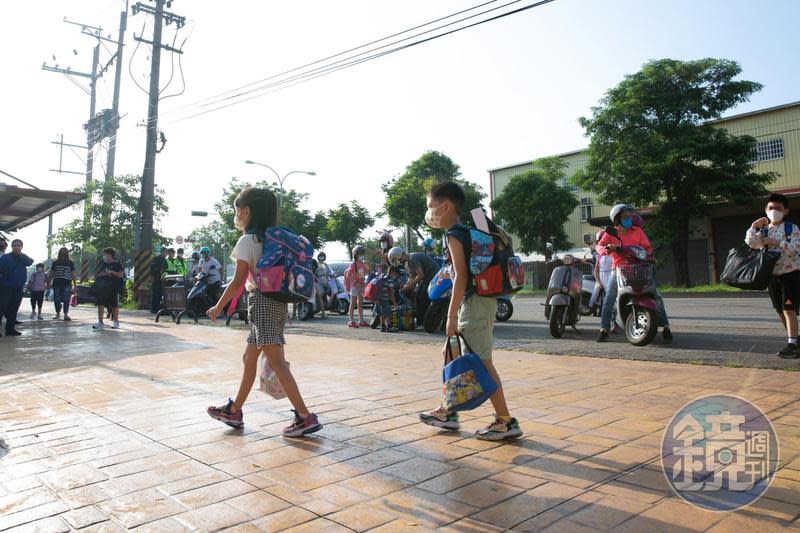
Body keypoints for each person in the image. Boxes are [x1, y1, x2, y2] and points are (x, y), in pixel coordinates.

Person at [206, 187, 322, 436]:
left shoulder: (248, 241)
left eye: (237, 210)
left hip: (261, 302)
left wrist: (218, 306)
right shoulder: (271, 239)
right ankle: (234, 410)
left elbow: (237, 281)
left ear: (246, 211)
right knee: (249, 359)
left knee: (277, 361)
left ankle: (305, 416)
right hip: (277, 302)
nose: (236, 215)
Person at [419, 182, 522, 440]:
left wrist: (451, 315)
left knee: (482, 362)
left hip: (474, 303)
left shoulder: (454, 234)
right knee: (451, 351)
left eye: (431, 206)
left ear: (445, 206)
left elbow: (461, 277)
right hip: (478, 302)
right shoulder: (462, 231)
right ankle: (448, 412)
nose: (430, 212)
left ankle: (506, 421)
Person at [596, 204, 672, 342]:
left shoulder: (637, 231)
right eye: (625, 216)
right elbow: (599, 246)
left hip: (640, 268)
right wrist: (607, 249)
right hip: (619, 269)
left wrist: (649, 255)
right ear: (617, 217)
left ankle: (666, 327)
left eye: (630, 215)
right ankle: (604, 329)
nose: (628, 218)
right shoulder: (611, 232)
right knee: (609, 297)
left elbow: (647, 247)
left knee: (656, 296)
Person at [746, 193, 800, 358]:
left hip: (790, 274)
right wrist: (754, 226)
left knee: (788, 309)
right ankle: (795, 340)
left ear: (786, 211)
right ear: (765, 210)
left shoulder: (792, 229)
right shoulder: (763, 230)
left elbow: (795, 249)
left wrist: (775, 242)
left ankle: (792, 344)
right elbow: (751, 243)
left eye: (778, 208)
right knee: (779, 310)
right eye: (770, 208)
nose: (774, 211)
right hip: (772, 276)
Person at [389, 246, 439, 322]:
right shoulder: (409, 262)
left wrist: (409, 286)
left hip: (433, 275)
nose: (398, 262)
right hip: (427, 277)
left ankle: (423, 320)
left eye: (396, 260)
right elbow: (412, 276)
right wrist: (405, 286)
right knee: (417, 295)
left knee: (421, 295)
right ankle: (420, 319)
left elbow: (420, 275)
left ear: (398, 255)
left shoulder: (413, 258)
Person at [0, 239, 34, 337]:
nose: (16, 247)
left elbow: (30, 262)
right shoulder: (5, 257)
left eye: (18, 246)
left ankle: (10, 330)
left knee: (13, 308)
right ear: (11, 247)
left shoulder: (23, 258)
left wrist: (20, 255)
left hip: (18, 287)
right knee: (2, 308)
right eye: (14, 246)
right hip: (5, 286)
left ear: (21, 247)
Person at [590, 231, 620, 332]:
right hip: (603, 278)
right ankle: (609, 324)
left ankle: (615, 323)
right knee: (605, 302)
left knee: (614, 302)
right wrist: (599, 282)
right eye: (600, 241)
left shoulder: (614, 253)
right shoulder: (599, 255)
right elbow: (596, 270)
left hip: (612, 275)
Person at [93, 248, 124, 330]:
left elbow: (121, 275)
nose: (104, 256)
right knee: (100, 304)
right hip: (103, 288)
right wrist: (102, 273)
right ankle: (100, 322)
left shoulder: (117, 264)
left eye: (105, 254)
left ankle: (116, 322)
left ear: (110, 255)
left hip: (113, 287)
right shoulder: (104, 264)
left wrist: (112, 272)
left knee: (114, 305)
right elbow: (98, 274)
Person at [48, 247, 77, 321]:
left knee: (66, 299)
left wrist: (75, 285)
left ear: (67, 253)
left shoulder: (70, 262)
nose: (63, 253)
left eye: (64, 252)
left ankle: (66, 314)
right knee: (56, 299)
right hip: (57, 283)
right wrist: (48, 282)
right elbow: (51, 273)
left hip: (67, 283)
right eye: (61, 251)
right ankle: (58, 313)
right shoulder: (55, 262)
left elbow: (73, 273)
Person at [345, 245, 369, 328]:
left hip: (362, 285)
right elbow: (348, 275)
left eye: (362, 253)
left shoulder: (362, 264)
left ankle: (361, 320)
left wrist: (367, 265)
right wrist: (355, 283)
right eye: (360, 254)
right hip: (355, 286)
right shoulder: (352, 264)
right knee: (353, 303)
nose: (362, 255)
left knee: (360, 303)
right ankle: (351, 321)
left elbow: (367, 271)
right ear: (355, 255)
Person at [378, 266, 401, 332]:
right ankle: (389, 327)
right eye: (396, 273)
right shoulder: (390, 280)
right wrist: (394, 303)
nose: (396, 275)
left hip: (379, 298)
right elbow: (391, 293)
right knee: (388, 313)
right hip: (384, 298)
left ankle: (382, 326)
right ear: (393, 272)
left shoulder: (383, 276)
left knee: (383, 313)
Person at [150, 247, 168, 313]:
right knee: (155, 294)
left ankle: (159, 309)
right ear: (162, 252)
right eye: (165, 252)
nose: (166, 254)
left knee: (161, 295)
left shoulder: (166, 260)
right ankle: (154, 309)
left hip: (163, 280)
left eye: (167, 252)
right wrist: (152, 279)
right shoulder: (156, 259)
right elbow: (152, 270)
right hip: (156, 279)